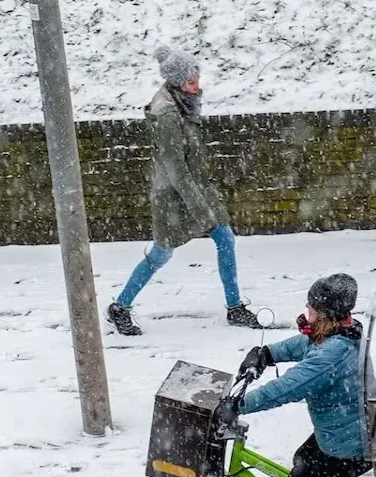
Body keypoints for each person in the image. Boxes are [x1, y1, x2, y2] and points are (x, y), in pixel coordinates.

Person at [217, 273, 371, 477]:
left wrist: (237, 405)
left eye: (312, 306)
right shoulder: (343, 334)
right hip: (350, 431)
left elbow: (286, 388)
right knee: (307, 461)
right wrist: (267, 354)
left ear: (325, 315)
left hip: (347, 443)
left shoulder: (330, 356)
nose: (307, 308)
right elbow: (304, 343)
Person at [107, 44, 261, 335]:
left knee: (225, 238)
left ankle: (235, 307)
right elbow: (176, 170)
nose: (197, 87)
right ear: (177, 82)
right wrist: (201, 209)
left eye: (197, 80)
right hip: (173, 199)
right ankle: (120, 307)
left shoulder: (184, 104)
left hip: (197, 190)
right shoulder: (166, 115)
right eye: (191, 82)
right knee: (162, 253)